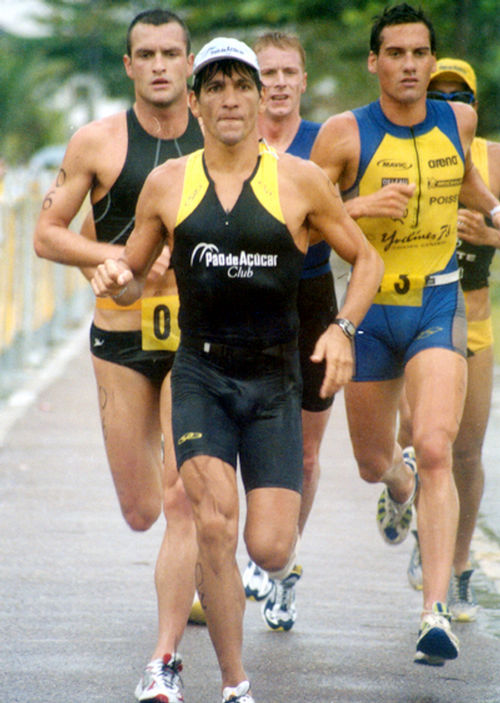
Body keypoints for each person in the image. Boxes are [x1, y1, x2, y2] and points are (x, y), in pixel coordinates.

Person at [91, 37, 383, 703]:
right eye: (215, 87)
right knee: (212, 523)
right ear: (194, 102)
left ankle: (239, 634)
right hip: (199, 376)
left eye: (241, 86)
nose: (229, 98)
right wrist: (116, 275)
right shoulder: (168, 184)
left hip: (275, 380)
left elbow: (365, 260)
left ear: (259, 99)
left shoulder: (301, 180)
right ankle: (232, 681)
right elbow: (130, 279)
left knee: (272, 546)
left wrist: (342, 330)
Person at [310, 2, 500, 666]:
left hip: (435, 306)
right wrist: (358, 205)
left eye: (421, 53)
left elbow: (470, 186)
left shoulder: (459, 120)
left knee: (437, 444)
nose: (411, 65)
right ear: (374, 61)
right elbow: (301, 221)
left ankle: (434, 609)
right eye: (396, 53)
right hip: (368, 314)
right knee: (372, 461)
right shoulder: (342, 134)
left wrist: (498, 213)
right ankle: (398, 485)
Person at [33, 9, 205, 702]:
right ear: (129, 66)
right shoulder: (99, 143)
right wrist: (117, 257)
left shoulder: (217, 139)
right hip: (122, 338)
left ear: (190, 63)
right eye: (146, 54)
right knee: (141, 509)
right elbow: (47, 234)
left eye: (171, 53)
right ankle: (183, 542)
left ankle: (164, 658)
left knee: (182, 498)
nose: (160, 65)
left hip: (198, 339)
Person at [241, 31, 338, 632]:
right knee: (240, 438)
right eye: (266, 73)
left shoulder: (326, 142)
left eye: (287, 73)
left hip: (312, 293)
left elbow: (344, 219)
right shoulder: (232, 138)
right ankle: (254, 546)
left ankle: (283, 569)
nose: (277, 83)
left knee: (303, 451)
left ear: (304, 81)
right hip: (245, 296)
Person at [399, 58, 500, 621]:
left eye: (460, 95)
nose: (450, 104)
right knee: (413, 437)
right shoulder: (406, 147)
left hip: (476, 323)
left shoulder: (493, 160)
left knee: (465, 452)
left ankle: (456, 568)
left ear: (475, 105)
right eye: (440, 95)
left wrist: (490, 234)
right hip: (417, 319)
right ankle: (412, 509)